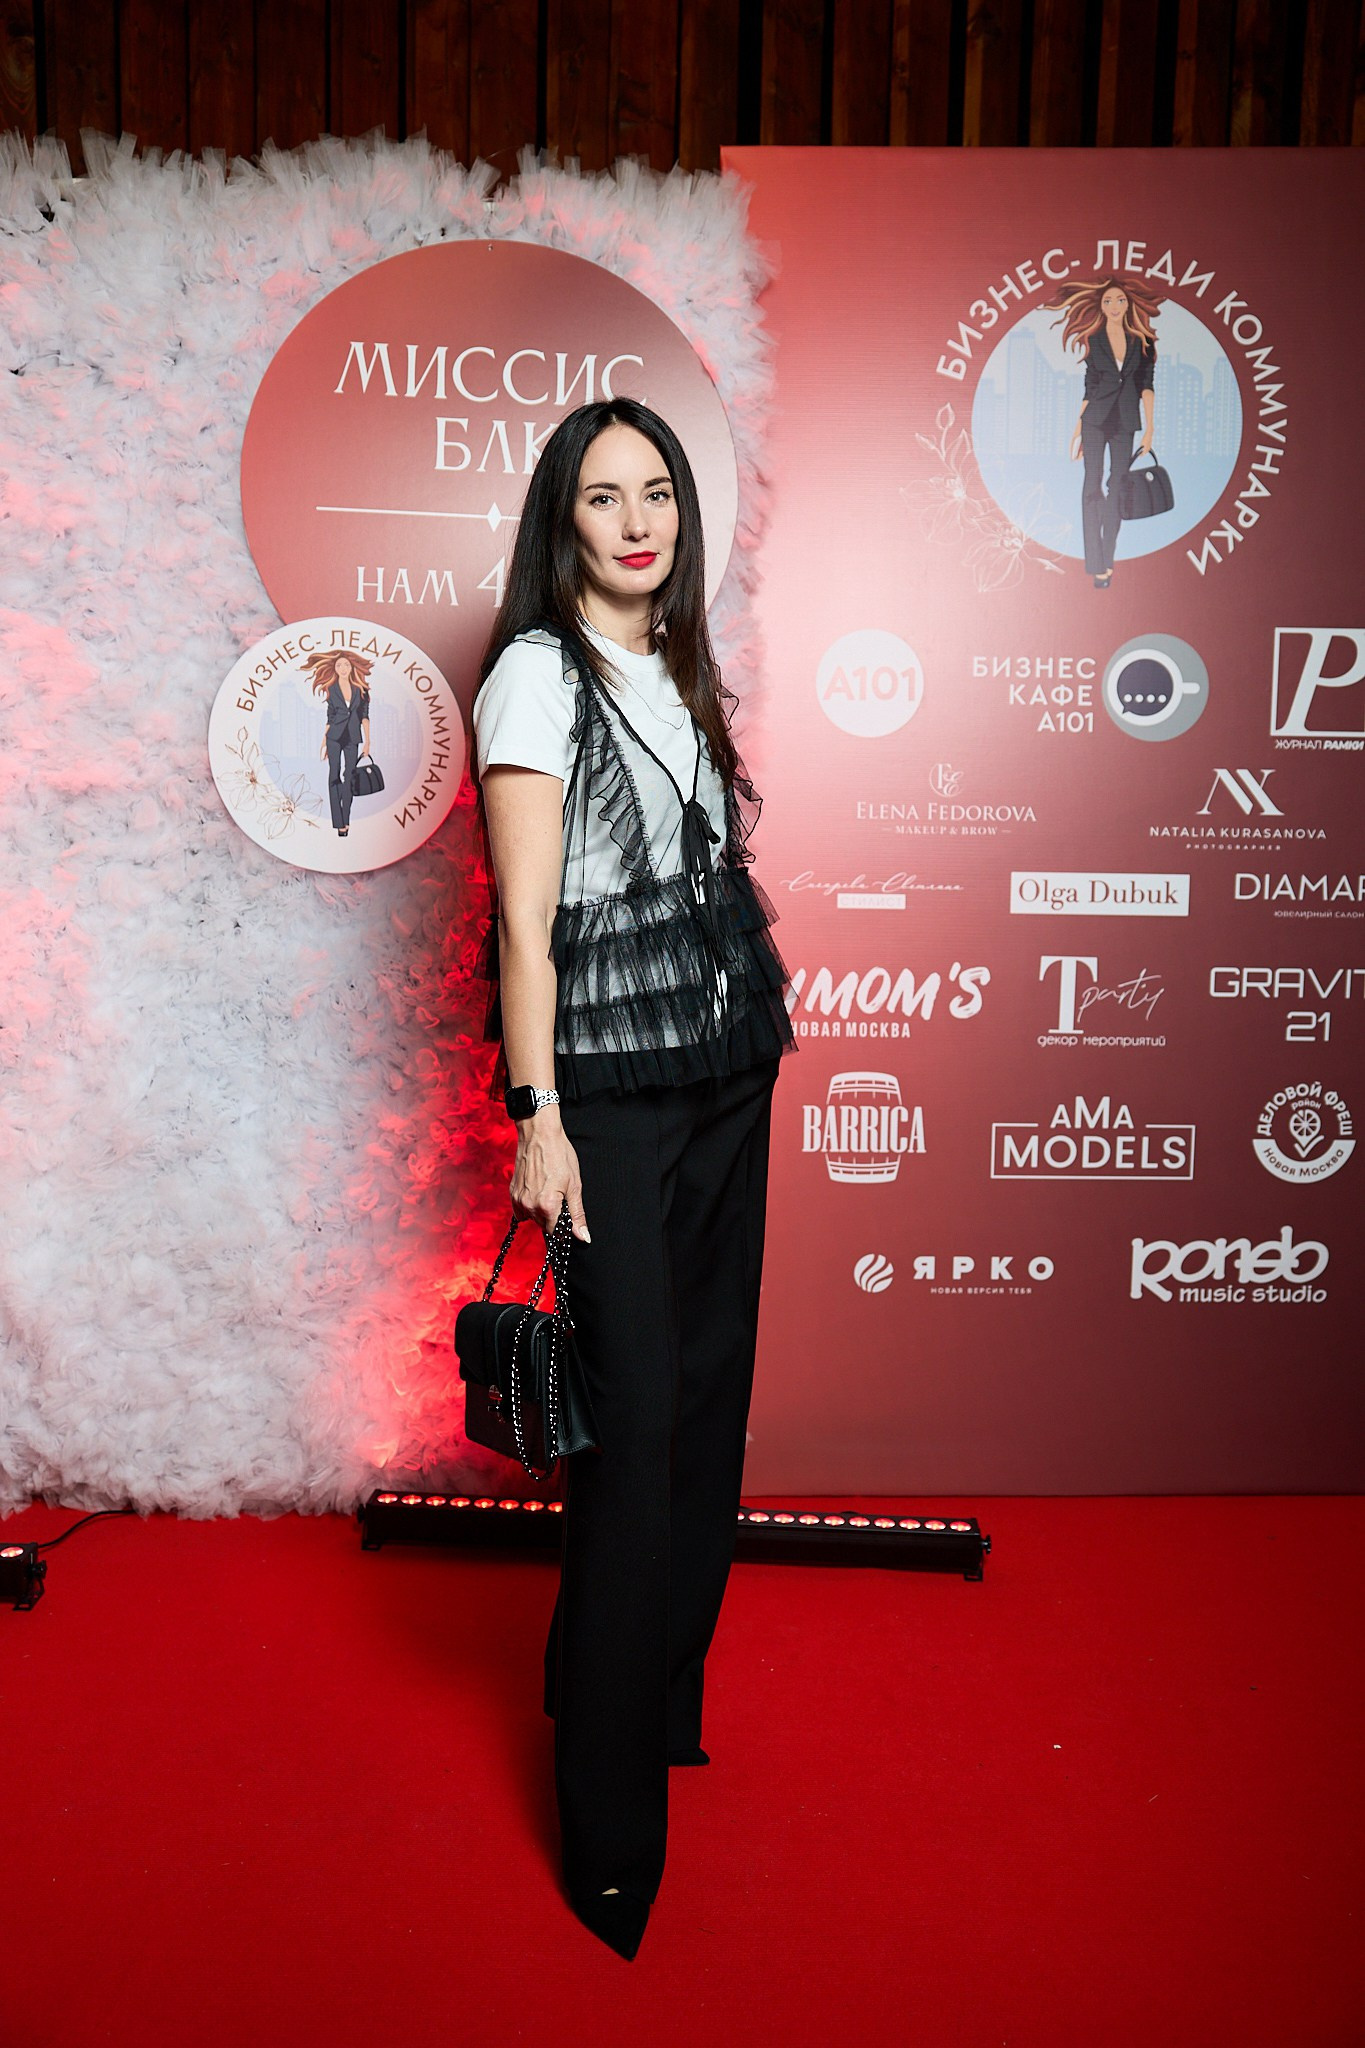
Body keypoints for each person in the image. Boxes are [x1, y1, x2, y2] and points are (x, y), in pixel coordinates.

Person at [471, 397, 796, 1959]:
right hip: (604, 1092)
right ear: (564, 520)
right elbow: (524, 922)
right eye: (603, 497)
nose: (636, 521)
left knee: (709, 1405)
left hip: (729, 1061)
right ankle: (610, 1836)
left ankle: (659, 1702)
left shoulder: (676, 654)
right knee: (635, 1430)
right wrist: (535, 1114)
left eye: (654, 491)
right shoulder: (536, 677)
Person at [1045, 275, 1160, 588]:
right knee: (1091, 486)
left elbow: (1146, 386)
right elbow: (1090, 386)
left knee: (1117, 486)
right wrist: (1077, 429)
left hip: (1125, 422)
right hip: (1095, 420)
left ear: (1129, 304)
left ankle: (1106, 558)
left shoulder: (1143, 341)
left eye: (1120, 300)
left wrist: (1150, 429)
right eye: (1108, 300)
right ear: (1101, 305)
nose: (1114, 305)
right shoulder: (1094, 340)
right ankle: (1097, 564)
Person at [303, 648, 373, 836]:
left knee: (349, 777)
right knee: (334, 776)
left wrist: (368, 742)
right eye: (339, 665)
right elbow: (331, 716)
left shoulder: (361, 690)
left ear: (352, 667)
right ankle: (339, 822)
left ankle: (346, 819)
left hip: (353, 737)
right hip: (334, 737)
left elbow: (364, 716)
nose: (343, 668)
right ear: (334, 668)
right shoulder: (331, 689)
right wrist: (324, 742)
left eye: (346, 665)